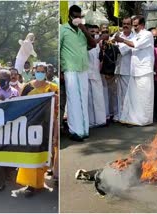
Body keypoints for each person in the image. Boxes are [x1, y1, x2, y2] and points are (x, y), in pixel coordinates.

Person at [16, 64, 58, 197]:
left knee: (44, 154)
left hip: (47, 126)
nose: (40, 73)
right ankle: (31, 185)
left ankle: (40, 180)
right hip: (31, 126)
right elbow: (20, 106)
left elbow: (56, 109)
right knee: (31, 154)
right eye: (38, 71)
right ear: (34, 72)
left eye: (42, 71)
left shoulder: (53, 88)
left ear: (46, 73)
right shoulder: (27, 87)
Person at [60, 5, 97, 141]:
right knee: (73, 100)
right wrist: (60, 71)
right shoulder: (63, 30)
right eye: (75, 16)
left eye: (79, 16)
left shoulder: (82, 30)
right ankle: (75, 131)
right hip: (70, 69)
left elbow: (93, 44)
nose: (77, 18)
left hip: (83, 68)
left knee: (83, 99)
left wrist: (84, 29)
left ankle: (84, 130)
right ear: (69, 16)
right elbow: (58, 51)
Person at [114, 15, 155, 126]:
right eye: (133, 25)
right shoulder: (135, 36)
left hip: (145, 71)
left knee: (144, 97)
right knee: (134, 97)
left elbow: (134, 45)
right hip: (135, 70)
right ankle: (134, 119)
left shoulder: (147, 34)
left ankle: (145, 120)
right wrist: (112, 44)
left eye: (136, 25)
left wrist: (121, 39)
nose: (134, 28)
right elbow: (124, 48)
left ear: (142, 25)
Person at [0, 69, 19, 190]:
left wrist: (11, 102)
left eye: (4, 78)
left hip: (10, 127)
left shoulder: (15, 92)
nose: (1, 80)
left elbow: (20, 108)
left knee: (8, 153)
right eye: (0, 78)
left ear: (9, 79)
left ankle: (8, 174)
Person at [85, 23, 106, 127]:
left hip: (96, 73)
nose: (94, 34)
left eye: (96, 32)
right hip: (87, 73)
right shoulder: (84, 42)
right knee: (88, 99)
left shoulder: (99, 43)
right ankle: (90, 121)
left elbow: (99, 57)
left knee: (98, 97)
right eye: (92, 32)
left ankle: (100, 120)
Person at [113, 17, 134, 122]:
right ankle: (118, 115)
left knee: (126, 94)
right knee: (117, 94)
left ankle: (126, 116)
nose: (125, 25)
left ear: (131, 25)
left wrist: (115, 45)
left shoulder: (133, 37)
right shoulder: (117, 35)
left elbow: (122, 50)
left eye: (127, 24)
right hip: (117, 69)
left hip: (127, 69)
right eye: (123, 23)